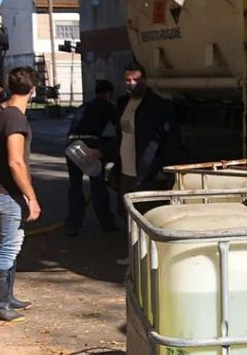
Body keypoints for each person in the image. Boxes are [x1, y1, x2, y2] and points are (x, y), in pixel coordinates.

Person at [0, 67, 41, 322]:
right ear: (33, 90)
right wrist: (31, 197)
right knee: (8, 246)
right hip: (10, 193)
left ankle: (9, 297)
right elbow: (16, 162)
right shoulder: (15, 119)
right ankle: (0, 303)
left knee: (14, 242)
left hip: (0, 188)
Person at [111, 61, 184, 263]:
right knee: (129, 214)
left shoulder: (157, 105)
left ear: (145, 80)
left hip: (146, 168)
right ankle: (134, 254)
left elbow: (170, 139)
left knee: (147, 214)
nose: (131, 83)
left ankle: (150, 257)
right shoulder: (122, 103)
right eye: (127, 80)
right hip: (126, 167)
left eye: (136, 79)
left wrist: (163, 167)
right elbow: (119, 136)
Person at [64, 79, 118, 236]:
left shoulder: (84, 106)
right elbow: (120, 130)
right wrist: (108, 150)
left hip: (71, 144)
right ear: (108, 94)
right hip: (90, 143)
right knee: (98, 186)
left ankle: (72, 225)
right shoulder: (107, 106)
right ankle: (106, 223)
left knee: (75, 186)